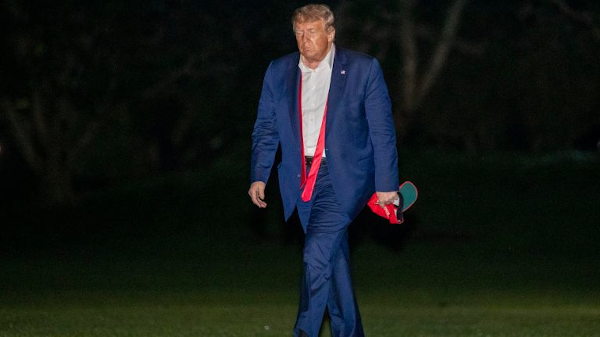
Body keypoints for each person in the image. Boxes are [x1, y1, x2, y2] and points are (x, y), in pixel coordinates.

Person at [248, 4, 399, 336]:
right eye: (299, 33)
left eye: (312, 32)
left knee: (315, 254)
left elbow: (382, 131)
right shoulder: (279, 71)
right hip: (300, 178)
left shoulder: (363, 69)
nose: (305, 40)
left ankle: (304, 332)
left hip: (344, 176)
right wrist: (259, 174)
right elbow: (266, 127)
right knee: (333, 261)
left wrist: (387, 184)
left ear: (330, 33)